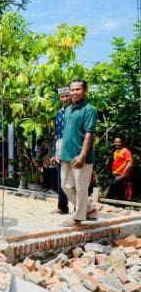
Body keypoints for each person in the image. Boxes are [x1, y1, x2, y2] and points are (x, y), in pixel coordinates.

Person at [59, 78, 98, 227]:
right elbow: (67, 133)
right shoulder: (68, 109)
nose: (74, 92)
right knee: (65, 186)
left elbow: (89, 134)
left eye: (78, 89)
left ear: (85, 91)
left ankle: (78, 218)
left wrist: (82, 155)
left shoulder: (89, 110)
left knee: (81, 188)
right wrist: (59, 153)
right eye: (72, 89)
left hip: (81, 156)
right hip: (66, 155)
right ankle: (88, 209)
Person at [49, 87, 72, 215]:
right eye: (62, 97)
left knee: (73, 181)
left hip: (71, 149)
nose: (64, 99)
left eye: (66, 96)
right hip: (59, 150)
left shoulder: (75, 112)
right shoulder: (59, 113)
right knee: (61, 181)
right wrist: (53, 154)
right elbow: (57, 134)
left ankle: (80, 209)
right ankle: (62, 207)